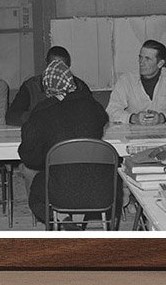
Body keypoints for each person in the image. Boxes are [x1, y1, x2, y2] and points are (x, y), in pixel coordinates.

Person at [17, 58, 109, 224]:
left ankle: (62, 218)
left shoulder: (41, 113)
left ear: (47, 88)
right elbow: (100, 120)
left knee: (36, 196)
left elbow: (29, 157)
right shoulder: (93, 107)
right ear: (71, 83)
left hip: (61, 191)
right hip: (101, 190)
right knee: (78, 176)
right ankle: (77, 224)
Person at [106, 39, 166, 126]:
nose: (141, 63)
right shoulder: (126, 80)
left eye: (147, 59)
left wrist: (162, 118)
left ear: (160, 64)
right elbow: (111, 111)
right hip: (133, 135)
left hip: (163, 135)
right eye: (140, 57)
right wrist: (133, 118)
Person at [6, 45, 91, 126]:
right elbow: (12, 116)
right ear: (46, 63)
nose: (57, 70)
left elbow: (92, 113)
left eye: (62, 67)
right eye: (53, 66)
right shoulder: (31, 86)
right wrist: (42, 116)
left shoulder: (78, 86)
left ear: (68, 67)